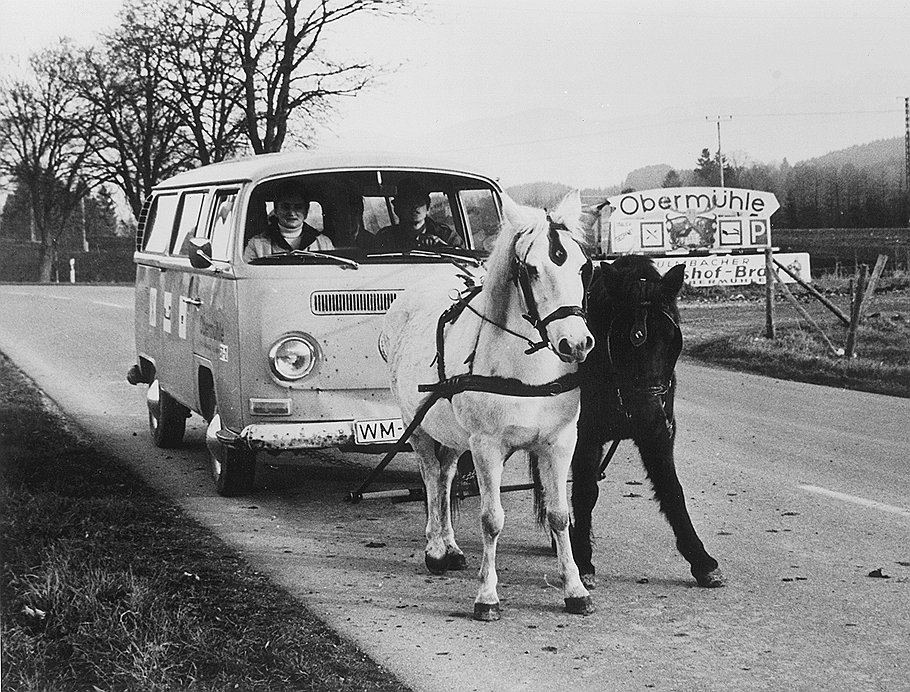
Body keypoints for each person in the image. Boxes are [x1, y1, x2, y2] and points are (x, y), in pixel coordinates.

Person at [361, 178, 462, 251]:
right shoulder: (386, 237)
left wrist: (443, 247)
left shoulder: (445, 235)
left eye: (420, 201)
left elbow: (466, 260)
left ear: (427, 207)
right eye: (408, 201)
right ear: (397, 208)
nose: (415, 206)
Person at [243, 182, 334, 261]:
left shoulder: (323, 243)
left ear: (306, 212)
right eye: (286, 207)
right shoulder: (256, 244)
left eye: (298, 207)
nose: (292, 213)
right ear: (276, 210)